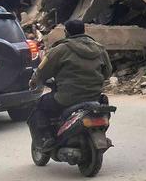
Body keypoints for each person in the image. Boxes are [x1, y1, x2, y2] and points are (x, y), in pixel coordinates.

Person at [27, 19, 111, 149]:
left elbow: (42, 71)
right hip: (94, 97)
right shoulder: (99, 48)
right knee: (104, 108)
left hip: (66, 99)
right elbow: (107, 72)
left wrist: (33, 82)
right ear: (84, 30)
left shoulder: (60, 50)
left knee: (40, 106)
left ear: (66, 32)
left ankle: (46, 139)